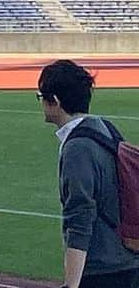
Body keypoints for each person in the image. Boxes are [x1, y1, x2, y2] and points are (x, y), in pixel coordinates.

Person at [38, 59, 139, 288]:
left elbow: (81, 213)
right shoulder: (105, 128)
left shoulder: (77, 148)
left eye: (41, 97)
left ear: (55, 101)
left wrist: (71, 283)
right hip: (127, 259)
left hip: (103, 268)